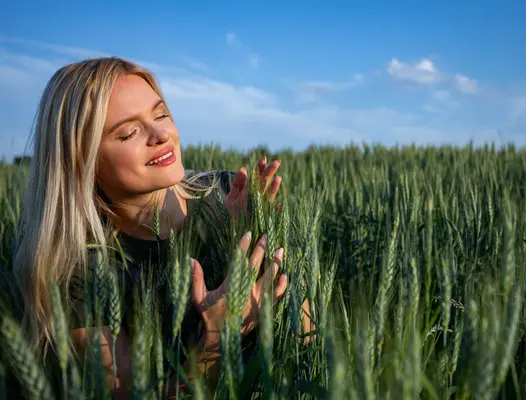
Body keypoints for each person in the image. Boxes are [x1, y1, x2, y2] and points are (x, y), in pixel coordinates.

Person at [10, 57, 311, 399]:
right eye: (129, 132)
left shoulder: (227, 194)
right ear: (82, 162)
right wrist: (217, 336)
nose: (161, 135)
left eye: (161, 114)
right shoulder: (75, 275)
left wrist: (249, 233)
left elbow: (311, 339)